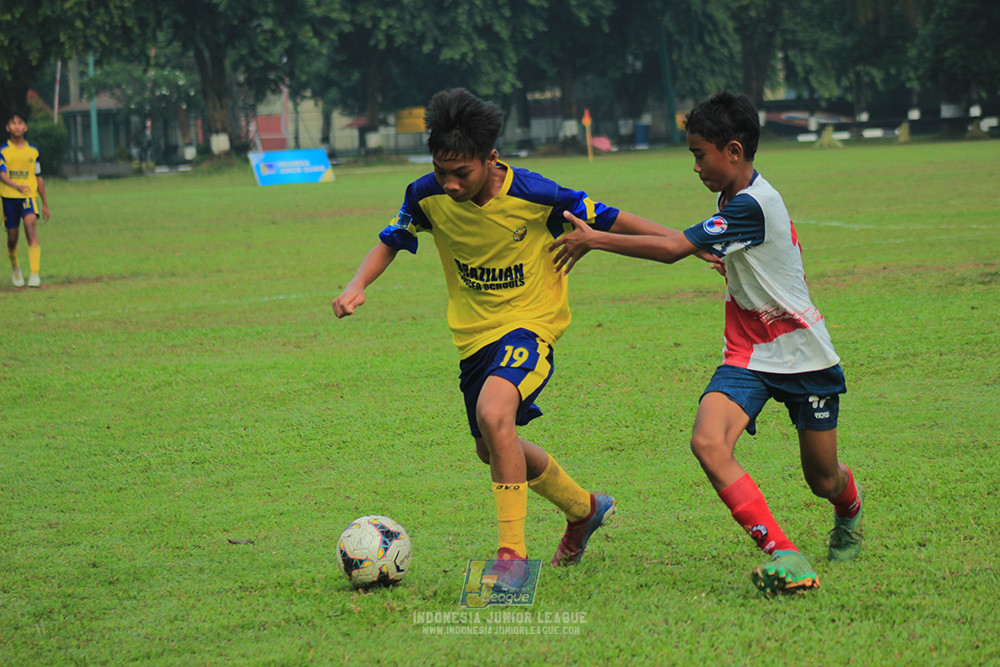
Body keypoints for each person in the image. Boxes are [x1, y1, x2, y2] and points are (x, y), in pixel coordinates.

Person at [332, 88, 708, 588]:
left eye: (460, 173)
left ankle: (511, 563)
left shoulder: (535, 195)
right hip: (473, 338)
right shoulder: (425, 195)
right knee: (491, 448)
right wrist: (357, 284)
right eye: (441, 171)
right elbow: (392, 240)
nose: (449, 184)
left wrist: (688, 242)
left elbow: (613, 218)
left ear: (491, 158)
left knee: (494, 414)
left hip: (531, 324)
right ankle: (584, 508)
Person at [549, 91, 864, 594]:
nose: (694, 166)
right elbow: (696, 241)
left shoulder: (754, 204)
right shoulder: (730, 200)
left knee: (823, 480)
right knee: (707, 441)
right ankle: (784, 553)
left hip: (803, 354)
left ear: (733, 151)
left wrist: (596, 239)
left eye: (699, 154)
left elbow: (675, 248)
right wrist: (714, 254)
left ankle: (849, 509)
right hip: (748, 355)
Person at [1, 111, 50, 288]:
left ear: (25, 127)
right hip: (8, 197)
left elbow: (39, 177)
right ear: (8, 128)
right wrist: (16, 186)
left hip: (28, 196)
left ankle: (35, 274)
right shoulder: (3, 151)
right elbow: (2, 175)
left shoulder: (33, 151)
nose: (17, 126)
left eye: (20, 123)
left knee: (30, 227)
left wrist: (44, 203)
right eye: (13, 123)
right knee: (12, 238)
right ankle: (15, 269)